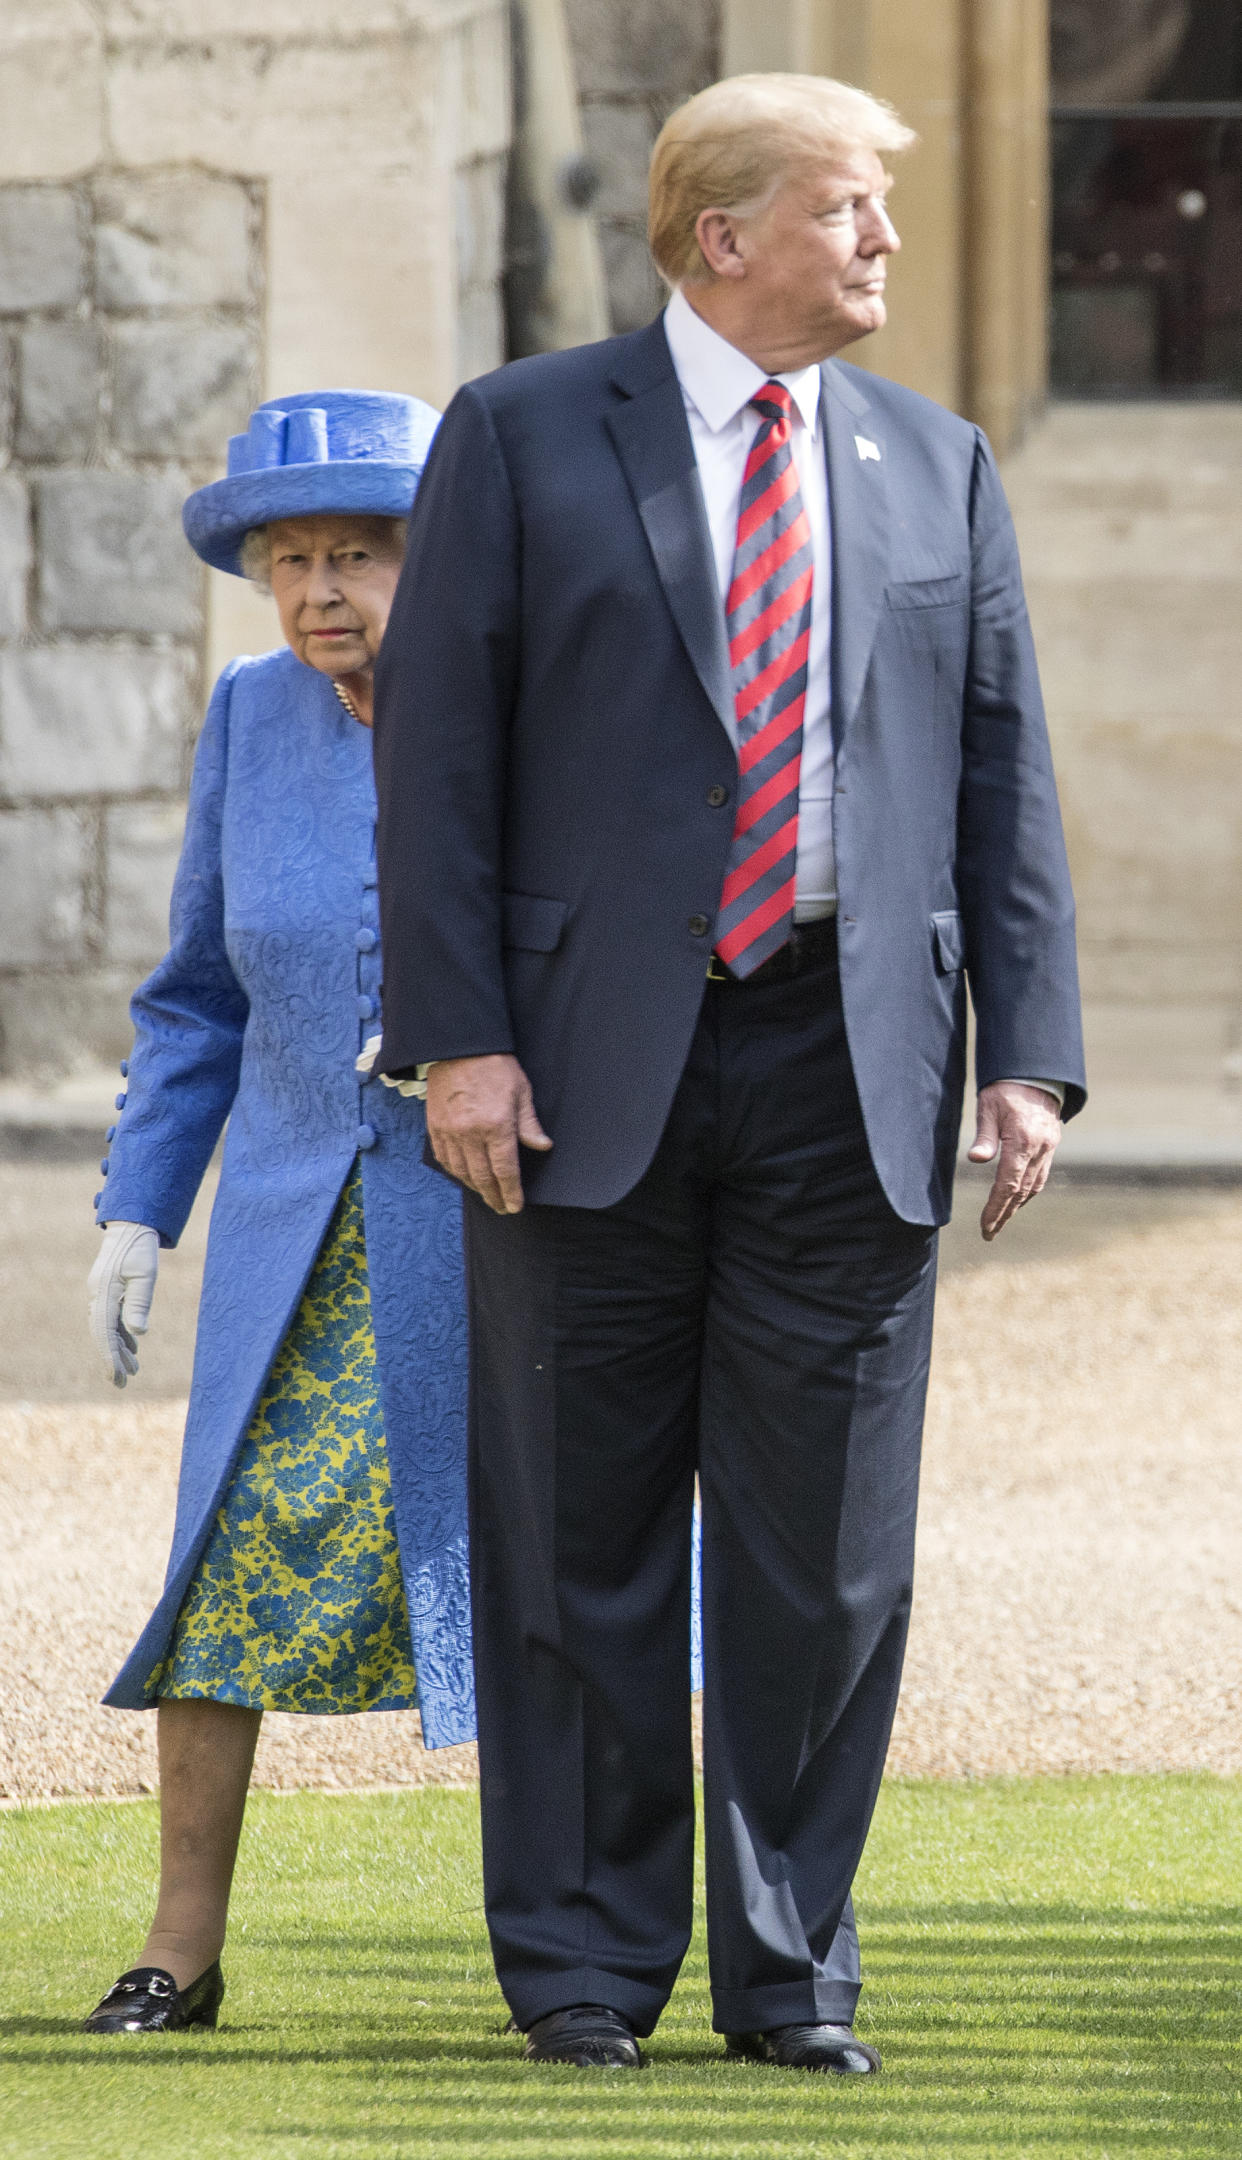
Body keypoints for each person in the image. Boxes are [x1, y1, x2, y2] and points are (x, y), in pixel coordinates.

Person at [371, 74, 1086, 2074]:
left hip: (847, 1068)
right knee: (577, 1543)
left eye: (881, 212)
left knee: (829, 1561)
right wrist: (461, 1039)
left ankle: (793, 1979)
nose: (879, 245)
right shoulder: (522, 436)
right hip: (579, 1075)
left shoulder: (938, 465)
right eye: (848, 210)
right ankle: (589, 1972)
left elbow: (1002, 780)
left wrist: (1029, 1058)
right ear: (721, 238)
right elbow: (434, 763)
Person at [82, 391, 473, 2037]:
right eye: (291, 558)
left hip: (500, 1229)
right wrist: (138, 1208)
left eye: (361, 553)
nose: (323, 589)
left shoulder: (517, 704)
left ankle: (579, 1963)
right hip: (291, 1239)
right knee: (226, 1577)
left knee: (546, 1584)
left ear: (432, 557)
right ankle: (178, 1947)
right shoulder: (251, 717)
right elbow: (194, 1002)